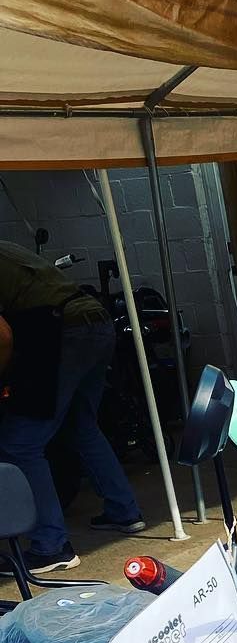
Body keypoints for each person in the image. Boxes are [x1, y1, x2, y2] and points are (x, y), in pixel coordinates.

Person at [0, 241, 145, 572]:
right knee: (80, 426)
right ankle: (123, 510)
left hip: (61, 329)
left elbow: (4, 337)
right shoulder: (7, 248)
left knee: (20, 443)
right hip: (94, 321)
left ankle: (51, 545)